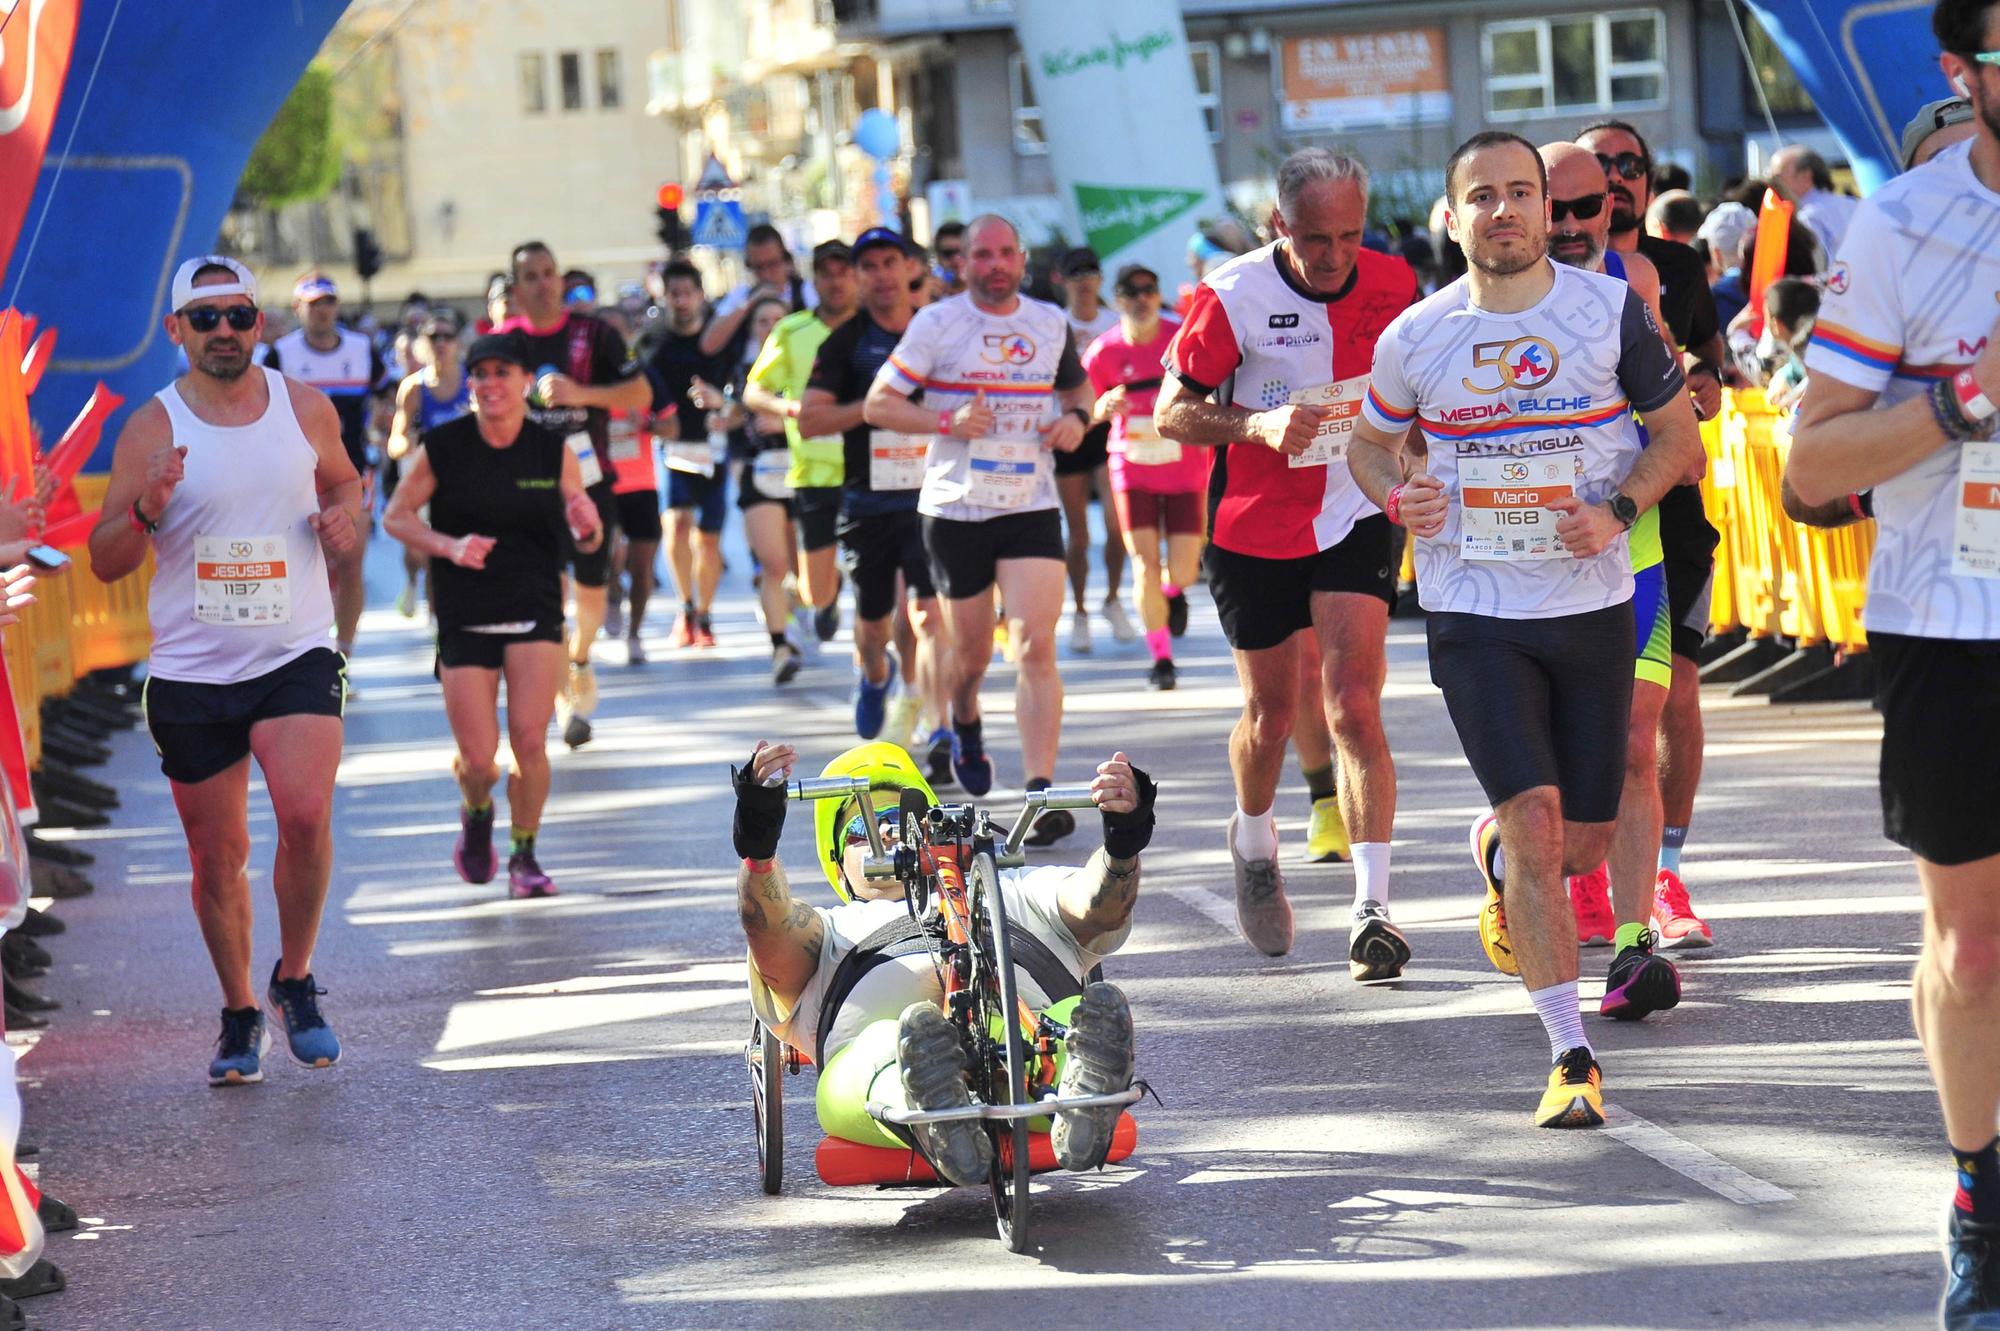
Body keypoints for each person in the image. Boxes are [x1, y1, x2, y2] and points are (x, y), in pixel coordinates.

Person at [1345, 131, 1702, 1126]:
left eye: (1518, 194)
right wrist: (1396, 495)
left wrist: (1619, 510)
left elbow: (1675, 433)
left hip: (1590, 601)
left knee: (1581, 840)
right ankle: (1569, 1051)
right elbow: (1372, 447)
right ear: (1449, 218)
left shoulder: (1608, 311)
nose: (1501, 211)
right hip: (1472, 613)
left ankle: (1508, 861)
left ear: (1546, 210)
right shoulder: (1416, 337)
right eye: (1480, 197)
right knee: (1540, 823)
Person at [1785, 5, 2000, 1315]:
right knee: (1973, 951)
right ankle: (1981, 1194)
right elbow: (1810, 467)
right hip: (1949, 618)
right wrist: (1958, 402)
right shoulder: (1904, 224)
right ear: (1966, 75)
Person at [88, 256, 360, 1086]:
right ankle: (241, 1008)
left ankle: (296, 977)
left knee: (307, 814)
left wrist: (348, 518)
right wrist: (146, 507)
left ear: (259, 323)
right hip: (194, 670)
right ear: (177, 331)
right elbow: (104, 559)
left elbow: (347, 482)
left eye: (238, 316)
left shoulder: (302, 407)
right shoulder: (151, 427)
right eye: (204, 320)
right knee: (218, 857)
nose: (224, 333)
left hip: (294, 651)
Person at [1155, 147, 1418, 974]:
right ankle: (1255, 837)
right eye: (1313, 239)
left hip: (1355, 509)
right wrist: (1254, 426)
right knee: (1272, 715)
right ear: (1279, 225)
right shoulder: (1231, 295)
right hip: (1253, 525)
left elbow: (1420, 393)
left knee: (1351, 705)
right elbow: (1171, 413)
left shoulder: (1395, 283)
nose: (1334, 256)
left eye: (1349, 235)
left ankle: (1372, 907)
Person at [729, 738, 1149, 1185]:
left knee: (1070, 1020)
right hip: (880, 1054)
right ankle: (933, 1106)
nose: (887, 831)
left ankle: (1081, 1089)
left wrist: (1123, 840)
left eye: (898, 819)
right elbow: (769, 930)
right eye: (861, 829)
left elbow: (1095, 904)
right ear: (837, 863)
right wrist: (759, 846)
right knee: (881, 1049)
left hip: (1022, 1032)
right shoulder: (832, 928)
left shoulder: (1015, 889)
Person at [863, 214, 1095, 845]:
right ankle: (963, 712)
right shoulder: (937, 324)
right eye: (981, 255)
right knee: (970, 658)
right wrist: (947, 420)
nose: (994, 265)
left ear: (1021, 260)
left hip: (1028, 503)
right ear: (961, 264)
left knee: (1034, 647)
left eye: (1005, 254)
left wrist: (1075, 420)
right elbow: (878, 404)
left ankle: (1040, 791)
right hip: (955, 509)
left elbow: (1081, 393)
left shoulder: (1048, 323)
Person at [1535, 143, 1697, 1017]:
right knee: (1551, 769)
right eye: (1550, 208)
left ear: (1614, 207)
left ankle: (1634, 948)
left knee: (1637, 743)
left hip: (1628, 552)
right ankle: (1510, 857)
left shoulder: (1637, 282)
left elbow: (1678, 431)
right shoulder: (1479, 306)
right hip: (1524, 572)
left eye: (1585, 208)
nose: (1567, 226)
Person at [382, 331, 603, 899]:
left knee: (530, 742)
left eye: (502, 373)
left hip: (534, 606)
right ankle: (477, 811)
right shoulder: (446, 445)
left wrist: (586, 522)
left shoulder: (551, 448)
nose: (488, 384)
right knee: (479, 759)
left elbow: (584, 520)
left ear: (525, 383)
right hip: (465, 611)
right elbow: (397, 516)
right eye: (480, 375)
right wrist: (450, 547)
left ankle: (524, 854)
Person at [1576, 120, 1724, 943]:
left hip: (1672, 523)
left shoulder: (1672, 270)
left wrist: (1696, 392)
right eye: (1602, 169)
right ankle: (1586, 869)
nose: (1617, 180)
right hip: (1583, 531)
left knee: (1673, 704)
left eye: (1629, 166)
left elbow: (1709, 369)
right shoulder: (1534, 281)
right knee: (1598, 714)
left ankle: (1665, 873)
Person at [800, 228, 953, 764]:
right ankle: (874, 674)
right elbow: (810, 418)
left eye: (891, 262)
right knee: (872, 625)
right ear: (859, 278)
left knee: (930, 616)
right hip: (868, 503)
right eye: (870, 267)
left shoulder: (938, 332)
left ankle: (942, 725)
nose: (882, 275)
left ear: (910, 268)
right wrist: (873, 409)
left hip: (936, 496)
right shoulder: (845, 343)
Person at [506, 240, 652, 748]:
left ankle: (581, 655)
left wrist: (580, 394)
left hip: (589, 485)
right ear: (516, 287)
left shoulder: (595, 334)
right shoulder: (504, 342)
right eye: (531, 276)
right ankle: (564, 701)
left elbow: (641, 395)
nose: (543, 283)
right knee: (546, 595)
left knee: (590, 592)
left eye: (550, 272)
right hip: (527, 489)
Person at [1083, 264, 1196, 690]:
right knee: (1144, 564)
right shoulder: (1103, 352)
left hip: (1186, 466)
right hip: (1132, 468)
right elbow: (1085, 407)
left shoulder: (1181, 337)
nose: (1141, 298)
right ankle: (1161, 658)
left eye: (1149, 289)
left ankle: (1174, 592)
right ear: (1116, 301)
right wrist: (1103, 407)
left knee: (1183, 568)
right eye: (1131, 292)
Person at [744, 240, 860, 653]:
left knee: (878, 578)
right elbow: (754, 391)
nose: (836, 281)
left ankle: (871, 657)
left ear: (856, 275)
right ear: (815, 280)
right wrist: (788, 407)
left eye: (843, 271)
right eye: (826, 273)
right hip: (813, 472)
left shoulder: (876, 330)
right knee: (813, 591)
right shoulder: (792, 331)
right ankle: (826, 590)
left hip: (868, 470)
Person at [266, 272, 385, 668]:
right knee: (300, 562)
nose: (322, 312)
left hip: (352, 471)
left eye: (328, 303)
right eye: (313, 304)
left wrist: (389, 430)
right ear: (299, 309)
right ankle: (304, 650)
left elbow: (388, 395)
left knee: (351, 561)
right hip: (297, 474)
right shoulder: (281, 355)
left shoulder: (362, 349)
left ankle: (344, 655)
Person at [638, 259, 728, 648]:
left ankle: (705, 614)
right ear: (664, 296)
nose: (680, 300)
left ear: (700, 295)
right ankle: (685, 606)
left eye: (687, 292)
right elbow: (638, 390)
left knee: (708, 539)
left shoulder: (719, 337)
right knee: (676, 524)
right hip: (671, 446)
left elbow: (741, 382)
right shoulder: (651, 342)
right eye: (673, 293)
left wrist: (722, 404)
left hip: (714, 446)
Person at [1049, 246, 1132, 654]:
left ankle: (1113, 599)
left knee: (1118, 528)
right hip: (1066, 431)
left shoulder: (1115, 323)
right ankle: (1079, 612)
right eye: (1075, 272)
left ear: (1100, 279)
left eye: (1091, 272)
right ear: (1060, 280)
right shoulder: (1051, 325)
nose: (1084, 280)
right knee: (1078, 533)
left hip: (1107, 432)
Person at [385, 312, 470, 620]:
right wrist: (406, 446)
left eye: (448, 337)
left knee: (450, 553)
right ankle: (419, 592)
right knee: (423, 552)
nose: (442, 343)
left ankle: (446, 616)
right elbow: (396, 439)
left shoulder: (472, 381)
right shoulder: (413, 388)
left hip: (468, 479)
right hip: (427, 477)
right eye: (434, 337)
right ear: (422, 344)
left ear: (458, 343)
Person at [699, 224, 816, 365]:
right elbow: (708, 345)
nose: (766, 274)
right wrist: (748, 304)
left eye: (772, 264)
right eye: (758, 267)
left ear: (785, 259)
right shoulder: (741, 295)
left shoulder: (806, 291)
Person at [1768, 145, 1858, 269]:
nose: (1771, 184)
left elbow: (1816, 267)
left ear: (1805, 176)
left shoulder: (1807, 217)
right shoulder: (1853, 204)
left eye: (1777, 177)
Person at [932, 220, 966, 294]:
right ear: (938, 257)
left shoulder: (989, 296)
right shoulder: (930, 297)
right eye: (948, 253)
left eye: (962, 252)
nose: (956, 259)